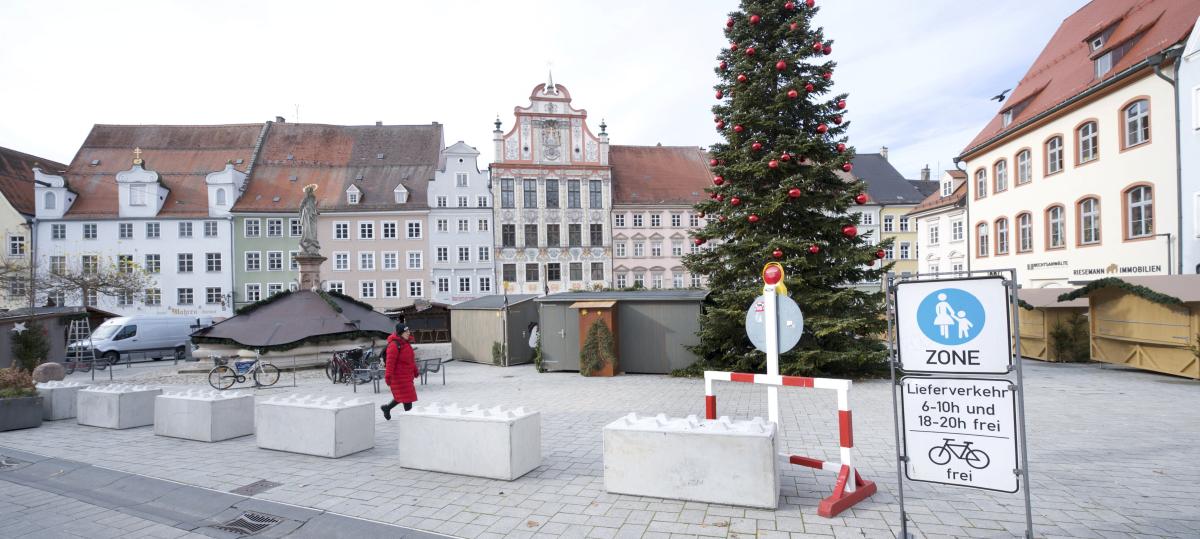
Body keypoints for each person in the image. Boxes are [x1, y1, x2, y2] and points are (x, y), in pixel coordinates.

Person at [381, 323, 419, 420]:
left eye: (408, 331)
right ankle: (409, 420)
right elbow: (390, 363)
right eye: (406, 331)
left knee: (403, 396)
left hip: (406, 376)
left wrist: (415, 370)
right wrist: (388, 377)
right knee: (407, 398)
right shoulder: (394, 345)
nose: (408, 333)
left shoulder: (405, 343)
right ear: (400, 333)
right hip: (398, 377)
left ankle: (387, 408)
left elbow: (410, 360)